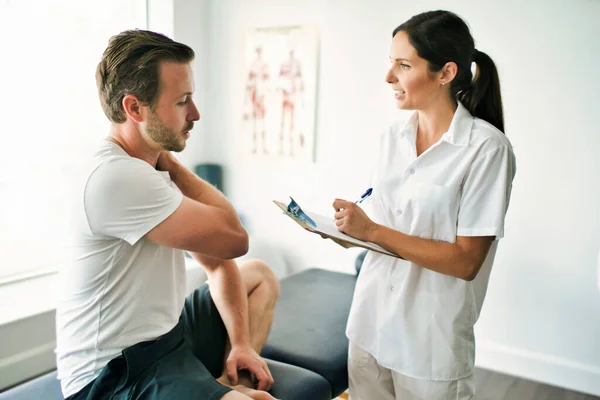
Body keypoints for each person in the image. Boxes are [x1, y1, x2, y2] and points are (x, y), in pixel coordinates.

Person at [55, 30, 280, 400]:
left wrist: (242, 344)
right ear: (134, 108)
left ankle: (229, 383)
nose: (195, 114)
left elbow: (222, 262)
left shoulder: (147, 166)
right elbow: (234, 237)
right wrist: (173, 165)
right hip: (115, 375)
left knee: (259, 276)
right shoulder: (118, 177)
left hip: (166, 341)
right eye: (182, 101)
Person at [332, 11, 517, 400]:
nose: (389, 78)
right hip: (369, 325)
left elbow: (466, 262)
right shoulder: (391, 138)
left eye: (403, 65)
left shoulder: (487, 149)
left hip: (429, 344)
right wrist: (352, 233)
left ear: (446, 72)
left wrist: (373, 231)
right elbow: (386, 229)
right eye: (391, 64)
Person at [277, 49, 304, 156]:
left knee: (291, 122)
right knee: (283, 121)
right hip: (286, 93)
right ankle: (281, 148)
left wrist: (299, 89)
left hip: (292, 94)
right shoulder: (284, 63)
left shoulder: (297, 64)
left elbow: (300, 78)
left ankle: (291, 149)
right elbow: (280, 76)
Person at [243, 46, 270, 154]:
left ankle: (263, 147)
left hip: (261, 97)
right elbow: (249, 83)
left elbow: (266, 80)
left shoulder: (264, 65)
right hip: (255, 97)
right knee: (255, 123)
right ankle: (255, 147)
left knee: (262, 123)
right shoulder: (253, 65)